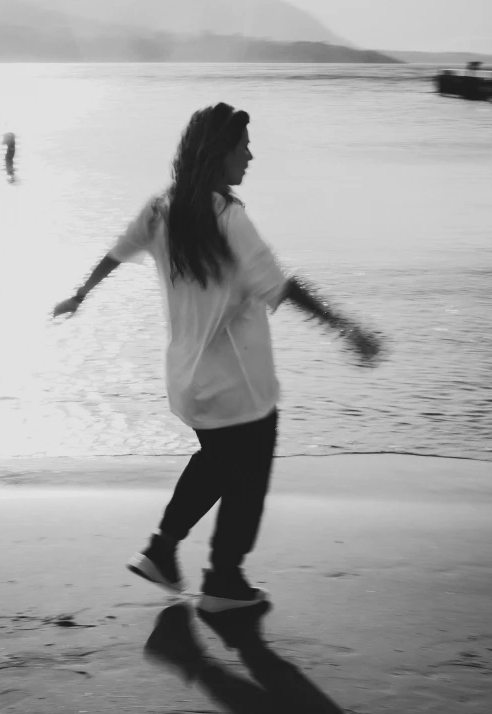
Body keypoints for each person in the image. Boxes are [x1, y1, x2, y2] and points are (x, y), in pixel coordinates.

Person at [53, 102, 383, 614]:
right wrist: (346, 327)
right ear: (219, 153)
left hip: (189, 381)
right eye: (242, 146)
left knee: (217, 463)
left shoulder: (161, 209)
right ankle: (223, 580)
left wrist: (80, 295)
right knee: (248, 473)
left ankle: (163, 549)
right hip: (240, 384)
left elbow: (114, 256)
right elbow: (283, 287)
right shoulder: (228, 218)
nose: (250, 155)